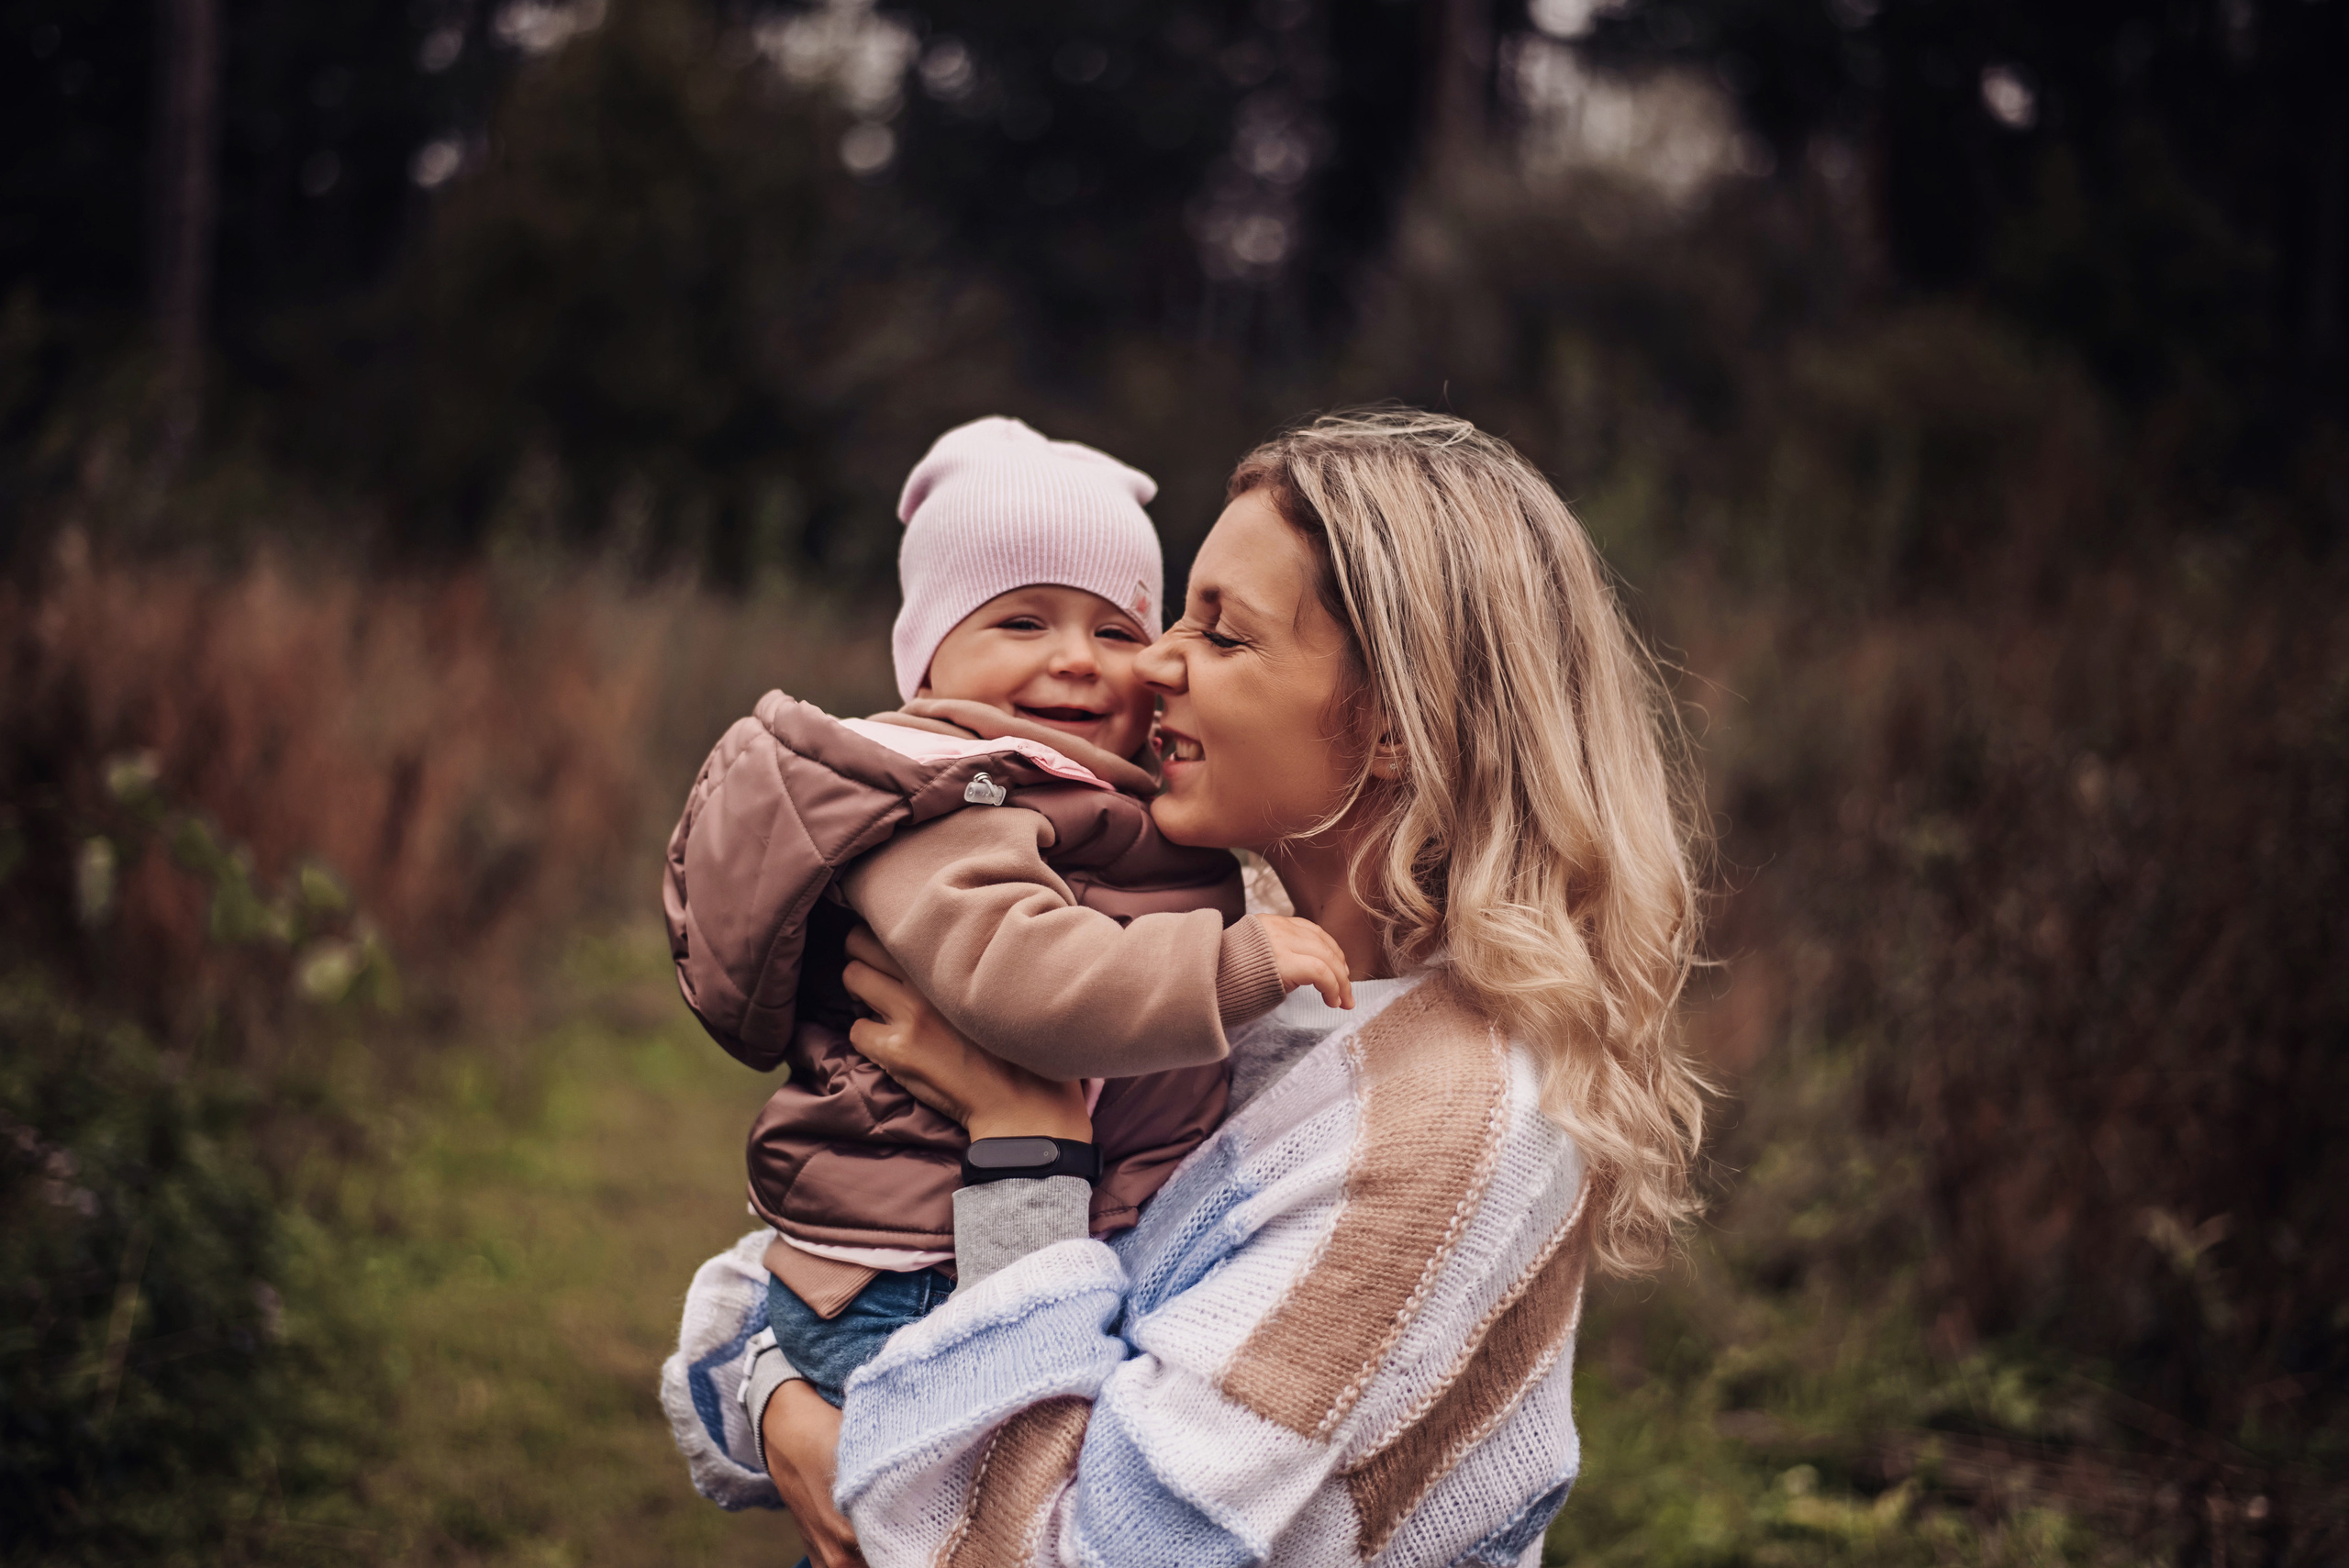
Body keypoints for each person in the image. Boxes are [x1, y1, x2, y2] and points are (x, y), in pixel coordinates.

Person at [685, 408, 1709, 1566]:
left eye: (1221, 636)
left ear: (1387, 725)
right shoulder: (1211, 959)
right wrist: (790, 1412)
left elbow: (1058, 1550)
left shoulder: (1449, 1127)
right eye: (1179, 614)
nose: (1150, 659)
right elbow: (763, 1290)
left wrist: (1023, 1146)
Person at [658, 417, 1352, 1505]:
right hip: (922, 1272)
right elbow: (1019, 973)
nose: (1077, 657)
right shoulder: (953, 799)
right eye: (1021, 619)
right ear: (927, 655)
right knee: (959, 1509)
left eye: (1119, 628)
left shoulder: (1096, 805)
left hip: (997, 1244)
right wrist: (1227, 967)